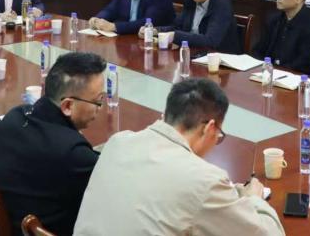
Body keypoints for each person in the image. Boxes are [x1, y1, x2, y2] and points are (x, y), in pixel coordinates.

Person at [73, 78, 283, 236]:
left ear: (165, 115)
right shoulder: (204, 181)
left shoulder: (118, 143)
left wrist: (231, 194)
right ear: (210, 128)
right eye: (218, 135)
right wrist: (254, 200)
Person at [0, 52, 106, 235]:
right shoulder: (73, 153)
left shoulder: (15, 116)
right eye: (98, 101)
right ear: (68, 106)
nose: (99, 109)